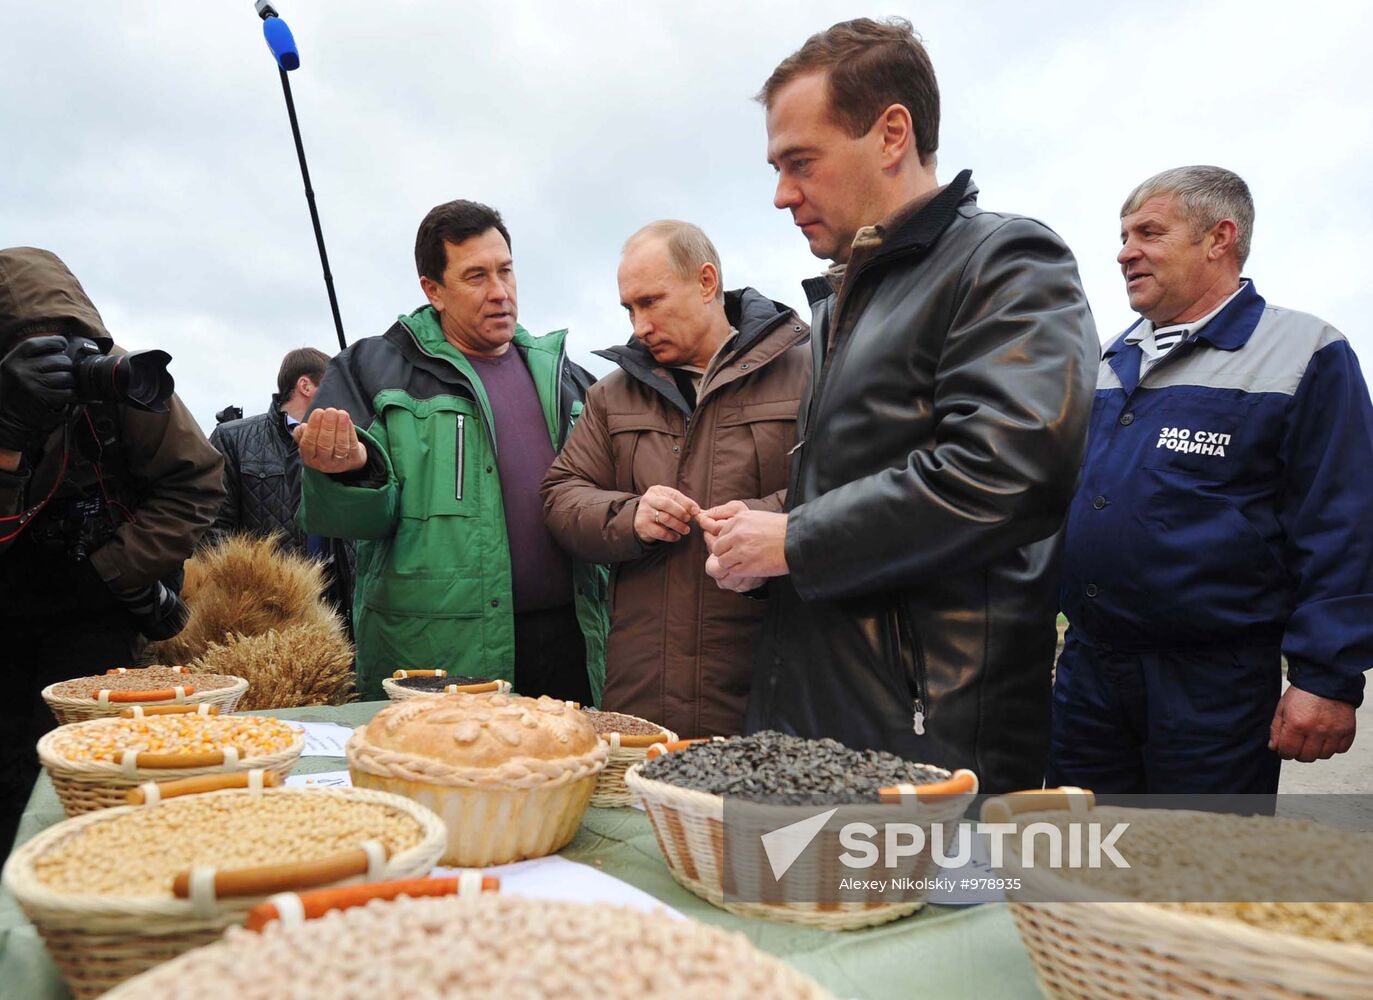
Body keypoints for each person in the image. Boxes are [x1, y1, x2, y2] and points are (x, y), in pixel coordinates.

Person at [704, 18, 1098, 793]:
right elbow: (860, 475)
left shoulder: (1008, 262)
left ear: (890, 135)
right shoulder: (843, 299)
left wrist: (795, 540)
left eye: (800, 162)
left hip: (929, 734)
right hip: (821, 710)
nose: (782, 194)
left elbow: (1007, 470)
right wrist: (766, 530)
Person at [1050, 166, 1373, 794]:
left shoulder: (1304, 352)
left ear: (1218, 238)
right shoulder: (1109, 359)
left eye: (1148, 232)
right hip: (1089, 673)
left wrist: (1326, 678)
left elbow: (1343, 523)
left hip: (1212, 687)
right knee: (1080, 867)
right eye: (1122, 235)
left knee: (1196, 879)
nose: (1124, 252)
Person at [295, 200, 608, 703]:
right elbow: (349, 522)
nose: (500, 292)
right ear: (433, 290)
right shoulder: (372, 370)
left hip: (570, 646)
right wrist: (349, 471)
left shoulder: (566, 378)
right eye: (476, 276)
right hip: (439, 658)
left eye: (506, 271)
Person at [541, 221, 810, 739]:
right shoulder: (610, 396)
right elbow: (560, 496)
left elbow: (847, 486)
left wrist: (770, 522)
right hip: (642, 697)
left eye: (651, 301)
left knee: (762, 822)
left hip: (767, 690)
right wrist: (629, 516)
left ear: (706, 282)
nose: (639, 325)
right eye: (629, 309)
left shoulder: (808, 373)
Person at [0, 247, 224, 855]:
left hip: (94, 615)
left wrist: (113, 570)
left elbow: (198, 480)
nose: (57, 360)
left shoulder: (119, 382)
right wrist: (9, 433)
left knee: (98, 771)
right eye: (33, 345)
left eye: (68, 340)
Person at [207, 347, 354, 628]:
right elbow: (215, 529)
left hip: (339, 604)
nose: (343, 395)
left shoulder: (352, 441)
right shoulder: (234, 439)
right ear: (306, 385)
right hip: (269, 609)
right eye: (334, 384)